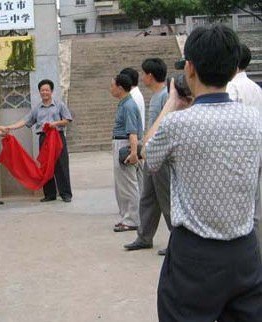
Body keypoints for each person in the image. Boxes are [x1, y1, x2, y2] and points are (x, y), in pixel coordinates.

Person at [146, 25, 262, 321]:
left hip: (195, 257)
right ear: (234, 68)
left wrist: (173, 104)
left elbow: (148, 157)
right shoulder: (256, 120)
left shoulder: (177, 125)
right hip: (245, 252)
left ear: (190, 68)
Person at [123, 58, 171, 255]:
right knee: (147, 198)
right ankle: (144, 237)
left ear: (150, 76)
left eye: (144, 74)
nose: (142, 77)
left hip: (161, 157)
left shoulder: (166, 96)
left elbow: (166, 127)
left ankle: (177, 241)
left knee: (167, 201)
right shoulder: (157, 95)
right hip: (151, 155)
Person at [5, 79, 73, 202]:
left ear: (51, 91)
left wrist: (55, 123)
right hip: (44, 138)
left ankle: (66, 194)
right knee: (46, 166)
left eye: (47, 90)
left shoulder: (59, 105)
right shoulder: (37, 109)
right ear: (39, 92)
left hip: (57, 137)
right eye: (42, 90)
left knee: (61, 165)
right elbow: (26, 121)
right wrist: (11, 127)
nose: (44, 92)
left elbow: (67, 120)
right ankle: (49, 194)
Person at [227, 43, 262, 255]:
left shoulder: (232, 88)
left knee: (241, 208)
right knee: (256, 205)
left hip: (240, 155)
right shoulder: (256, 88)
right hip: (257, 149)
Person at [111, 74, 143, 232]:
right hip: (120, 143)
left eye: (113, 85)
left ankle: (132, 219)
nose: (111, 88)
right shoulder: (124, 104)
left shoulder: (128, 106)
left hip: (125, 144)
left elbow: (132, 132)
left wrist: (134, 153)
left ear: (120, 88)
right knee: (122, 185)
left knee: (129, 185)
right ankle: (126, 216)